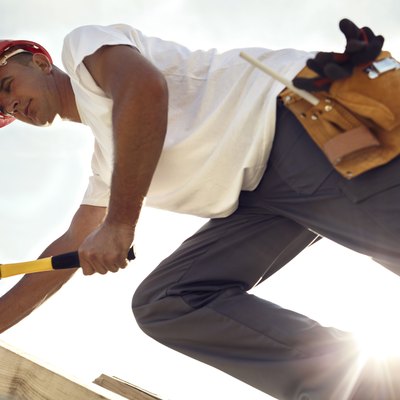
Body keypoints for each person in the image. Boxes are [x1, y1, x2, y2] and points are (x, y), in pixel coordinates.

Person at [0, 18, 399, 399]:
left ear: (40, 61)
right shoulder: (108, 164)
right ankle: (370, 389)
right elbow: (72, 244)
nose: (12, 104)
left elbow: (143, 88)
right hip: (260, 198)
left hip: (293, 124)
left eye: (6, 85)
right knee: (169, 300)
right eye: (4, 110)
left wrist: (121, 223)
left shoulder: (86, 49)